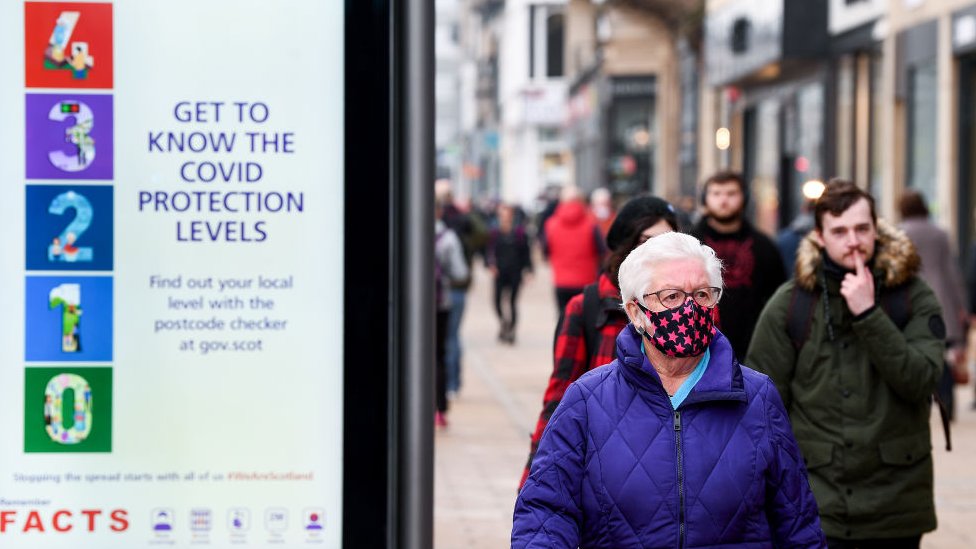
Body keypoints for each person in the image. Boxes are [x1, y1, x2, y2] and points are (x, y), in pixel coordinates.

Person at [513, 232, 826, 548]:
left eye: (702, 295)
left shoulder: (757, 396)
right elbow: (545, 512)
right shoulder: (587, 400)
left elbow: (797, 523)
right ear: (636, 313)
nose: (689, 309)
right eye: (671, 297)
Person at [747, 179, 943, 547]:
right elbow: (763, 408)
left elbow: (922, 381)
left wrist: (869, 314)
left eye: (861, 228)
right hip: (818, 502)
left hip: (895, 506)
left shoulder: (913, 295)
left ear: (876, 228)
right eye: (839, 231)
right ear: (820, 237)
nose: (853, 240)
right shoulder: (792, 303)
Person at [519, 196, 678, 488]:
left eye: (669, 242)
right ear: (626, 245)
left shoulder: (692, 312)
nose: (657, 252)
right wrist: (535, 480)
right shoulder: (588, 308)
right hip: (604, 471)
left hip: (671, 471)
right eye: (647, 241)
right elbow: (559, 399)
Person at [691, 170, 786, 360]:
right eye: (716, 194)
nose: (724, 200)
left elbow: (779, 299)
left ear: (744, 198)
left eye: (731, 194)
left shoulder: (764, 247)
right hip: (696, 348)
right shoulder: (688, 244)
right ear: (705, 199)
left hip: (754, 350)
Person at [899, 190, 969, 419]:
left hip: (912, 301)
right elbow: (952, 273)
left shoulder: (900, 233)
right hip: (942, 299)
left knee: (919, 354)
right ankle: (947, 402)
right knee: (944, 355)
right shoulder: (939, 233)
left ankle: (924, 404)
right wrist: (962, 306)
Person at [434, 180, 487, 398]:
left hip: (438, 291)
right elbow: (482, 236)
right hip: (452, 289)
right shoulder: (463, 219)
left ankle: (441, 386)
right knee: (452, 337)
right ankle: (452, 384)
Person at [542, 185, 605, 314]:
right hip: (586, 281)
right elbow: (602, 251)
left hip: (561, 281)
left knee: (563, 318)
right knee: (585, 318)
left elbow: (545, 250)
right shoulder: (592, 223)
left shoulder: (550, 224)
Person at [434, 200, 469, 428]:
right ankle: (441, 406)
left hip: (404, 305)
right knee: (441, 352)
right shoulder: (446, 237)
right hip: (439, 303)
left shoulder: (399, 228)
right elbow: (460, 271)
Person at [485, 203, 533, 344]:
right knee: (497, 301)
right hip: (499, 272)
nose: (504, 217)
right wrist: (490, 265)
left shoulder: (519, 233)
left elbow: (526, 253)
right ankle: (503, 322)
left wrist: (529, 270)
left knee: (512, 302)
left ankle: (511, 330)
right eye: (502, 214)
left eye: (507, 214)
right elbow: (488, 251)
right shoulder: (494, 233)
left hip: (515, 271)